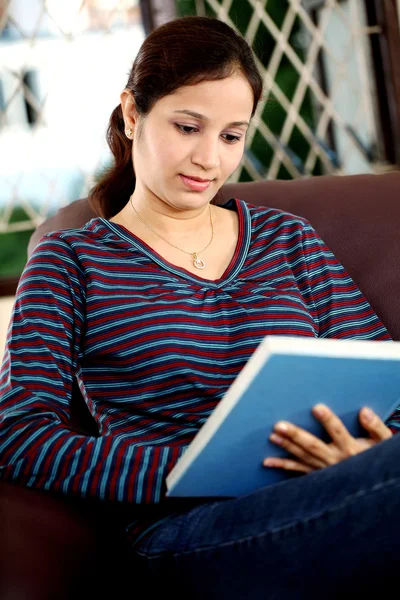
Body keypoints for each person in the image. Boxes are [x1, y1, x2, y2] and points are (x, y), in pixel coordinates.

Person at [1, 15, 400, 599]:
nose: (209, 159)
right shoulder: (73, 259)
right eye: (188, 127)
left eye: (232, 136)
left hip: (343, 492)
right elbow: (20, 435)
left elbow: (386, 376)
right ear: (133, 113)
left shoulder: (287, 239)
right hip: (191, 532)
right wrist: (185, 470)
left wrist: (369, 448)